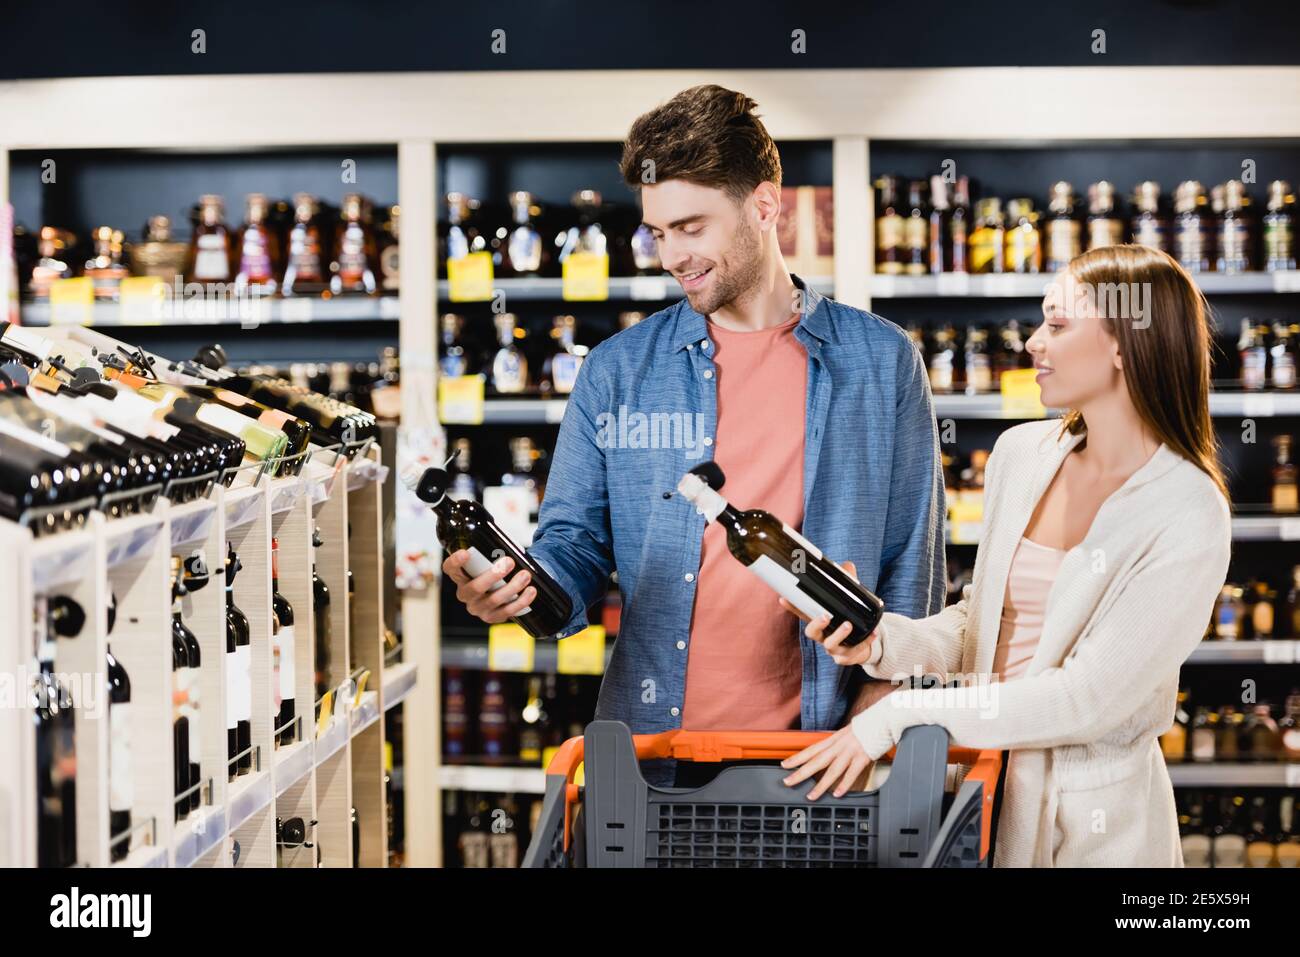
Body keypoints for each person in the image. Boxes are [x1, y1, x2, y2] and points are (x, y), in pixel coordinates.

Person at [441, 84, 946, 787]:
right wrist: (519, 589)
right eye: (658, 232)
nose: (670, 255)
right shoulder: (617, 371)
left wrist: (873, 727)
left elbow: (913, 571)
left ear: (764, 206)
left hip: (822, 761)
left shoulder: (881, 361)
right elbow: (573, 546)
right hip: (652, 762)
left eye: (690, 227)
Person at [781, 243, 1233, 867]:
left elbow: (1084, 700)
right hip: (975, 795)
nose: (1032, 344)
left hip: (1092, 832)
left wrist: (895, 715)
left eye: (1058, 325)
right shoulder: (1023, 456)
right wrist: (880, 639)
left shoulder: (1186, 510)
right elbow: (980, 624)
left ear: (1124, 345)